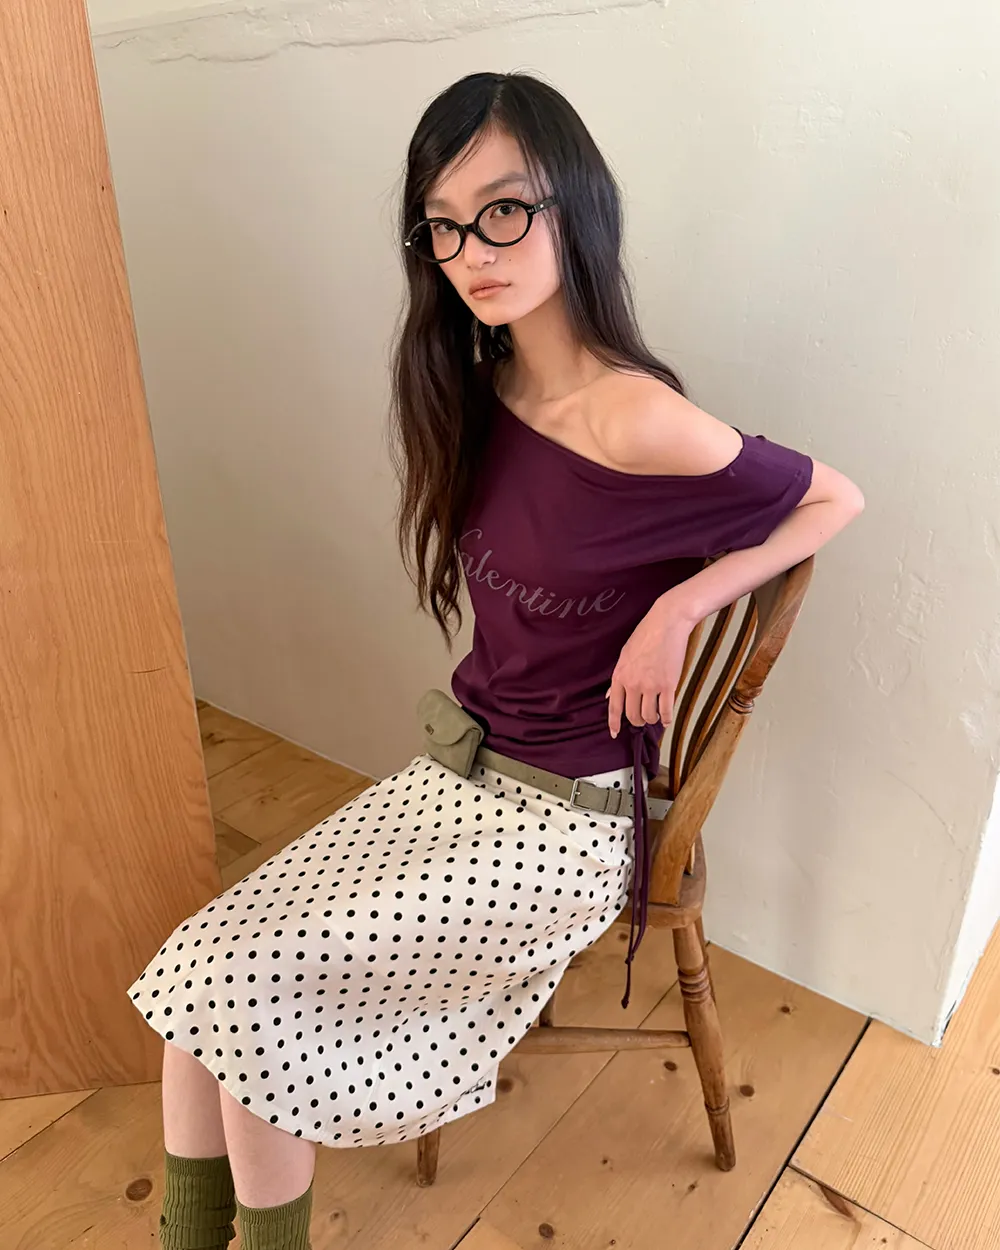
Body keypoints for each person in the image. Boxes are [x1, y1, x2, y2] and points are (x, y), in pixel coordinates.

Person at [133, 71, 864, 1250]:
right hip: (464, 773)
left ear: (575, 205)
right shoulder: (485, 390)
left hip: (568, 823)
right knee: (197, 975)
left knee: (245, 999)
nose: (471, 250)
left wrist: (682, 601)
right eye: (443, 224)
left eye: (504, 209)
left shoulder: (636, 418)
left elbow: (835, 498)